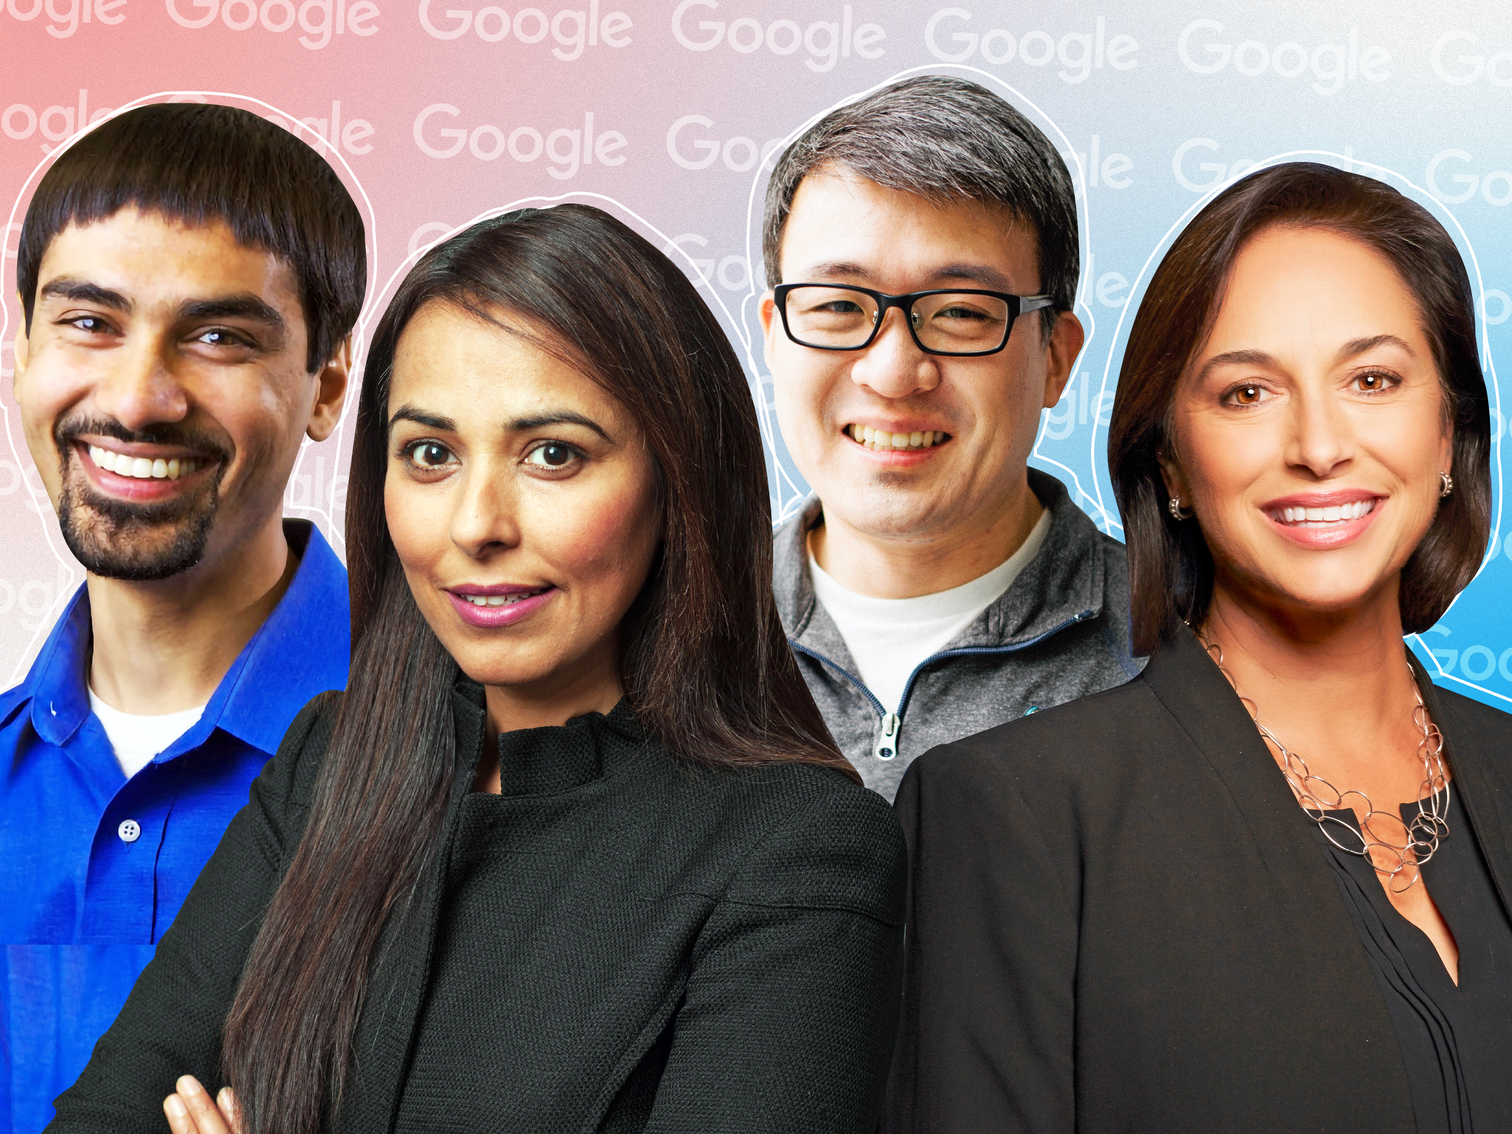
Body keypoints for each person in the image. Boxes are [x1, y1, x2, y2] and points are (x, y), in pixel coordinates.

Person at [48, 205, 907, 1134]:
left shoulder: (801, 851)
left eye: (552, 455)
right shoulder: (323, 766)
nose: (475, 524)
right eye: (429, 454)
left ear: (680, 480)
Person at [886, 162, 1512, 1134]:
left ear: (1449, 434)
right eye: (1248, 392)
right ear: (1170, 460)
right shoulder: (1019, 814)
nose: (1319, 443)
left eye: (1374, 379)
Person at [0, 102, 364, 1132]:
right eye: (89, 322)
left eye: (216, 336)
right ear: (24, 349)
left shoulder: (475, 763)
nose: (141, 396)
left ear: (326, 384)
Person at [759, 76, 1140, 802]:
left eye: (961, 312)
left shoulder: (1196, 658)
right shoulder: (662, 646)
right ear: (774, 338)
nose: (895, 372)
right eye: (839, 305)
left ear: (1056, 357)